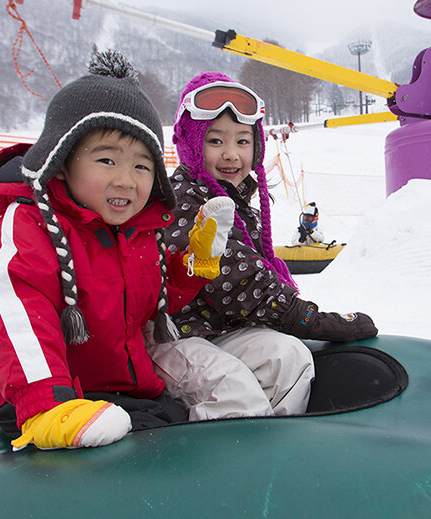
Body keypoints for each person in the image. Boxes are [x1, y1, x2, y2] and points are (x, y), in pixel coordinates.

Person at [0, 51, 231, 451]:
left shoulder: (137, 233)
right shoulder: (33, 227)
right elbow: (8, 305)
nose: (125, 180)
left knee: (185, 437)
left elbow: (149, 303)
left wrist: (193, 266)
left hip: (119, 389)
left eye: (142, 167)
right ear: (63, 162)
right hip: (44, 397)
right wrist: (45, 405)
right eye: (106, 159)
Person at [145, 72, 378, 421]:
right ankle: (223, 461)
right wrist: (309, 319)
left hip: (218, 330)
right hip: (173, 334)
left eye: (242, 141)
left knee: (288, 358)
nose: (230, 155)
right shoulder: (182, 199)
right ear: (191, 145)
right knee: (233, 389)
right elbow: (236, 278)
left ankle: (275, 447)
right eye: (215, 141)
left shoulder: (237, 200)